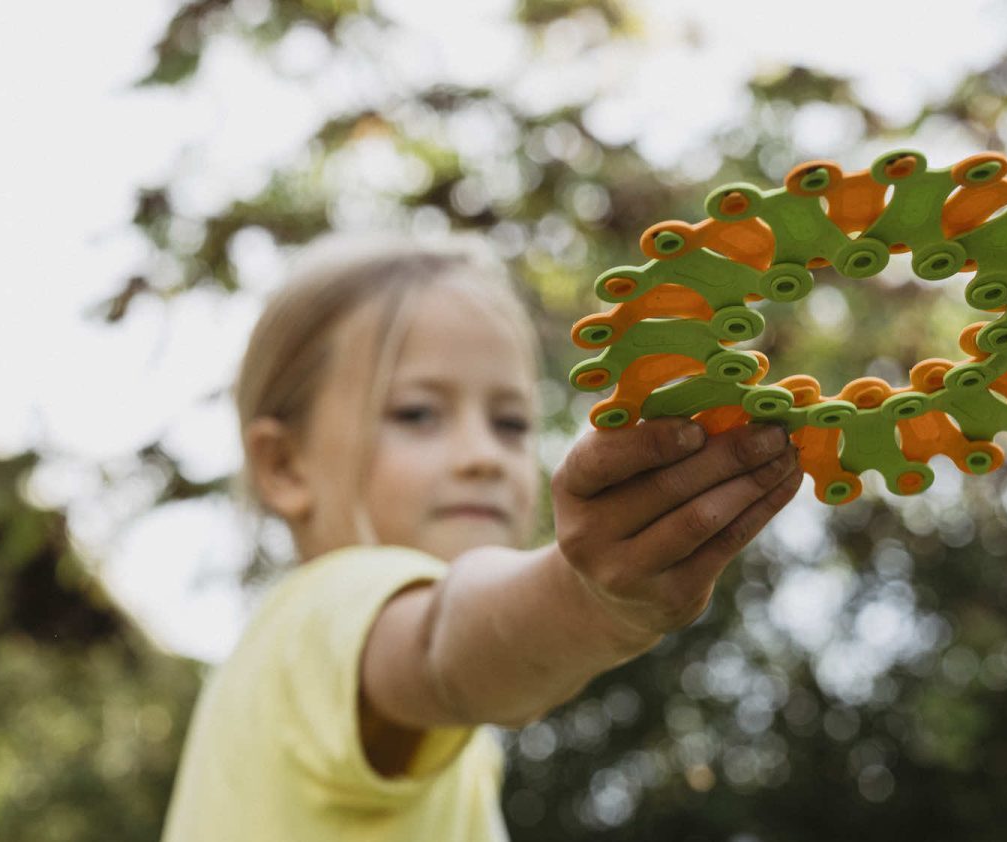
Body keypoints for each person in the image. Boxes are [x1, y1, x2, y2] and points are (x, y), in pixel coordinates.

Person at [159, 229, 803, 840]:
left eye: (511, 423)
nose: (483, 455)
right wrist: (593, 601)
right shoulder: (320, 614)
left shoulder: (433, 734)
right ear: (284, 465)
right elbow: (446, 643)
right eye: (417, 414)